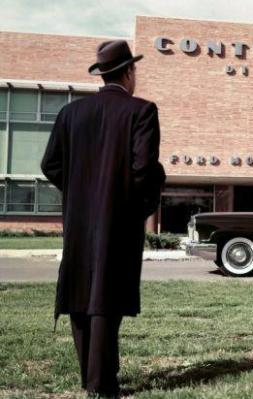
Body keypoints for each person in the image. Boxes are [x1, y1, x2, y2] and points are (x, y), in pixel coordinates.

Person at [41, 40, 165, 397]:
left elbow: (50, 165)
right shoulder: (141, 112)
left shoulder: (70, 114)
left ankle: (90, 379)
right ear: (128, 73)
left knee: (81, 293)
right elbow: (144, 169)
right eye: (135, 71)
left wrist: (81, 190)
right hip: (118, 219)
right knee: (107, 298)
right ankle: (102, 384)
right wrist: (147, 194)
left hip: (79, 221)